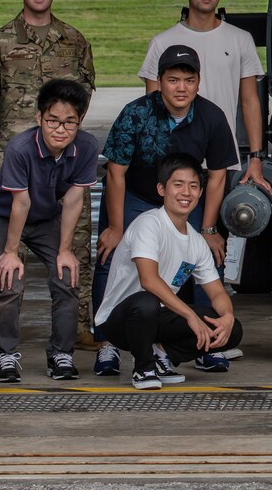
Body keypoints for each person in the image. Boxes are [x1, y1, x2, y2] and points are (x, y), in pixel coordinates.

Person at [0, 0, 98, 344]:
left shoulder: (75, 42)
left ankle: (77, 329)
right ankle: (1, 335)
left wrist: (65, 137)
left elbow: (82, 101)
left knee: (73, 248)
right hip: (13, 162)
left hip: (64, 168)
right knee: (5, 258)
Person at [0, 78, 100, 383]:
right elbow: (20, 202)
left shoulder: (87, 146)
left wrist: (65, 250)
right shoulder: (20, 148)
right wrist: (11, 252)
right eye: (53, 120)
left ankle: (61, 353)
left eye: (69, 122)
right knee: (9, 279)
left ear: (79, 121)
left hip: (43, 217)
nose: (60, 129)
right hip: (1, 214)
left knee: (67, 275)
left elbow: (72, 200)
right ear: (39, 117)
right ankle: (3, 353)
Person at [95, 45, 238, 310]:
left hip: (183, 198)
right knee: (112, 253)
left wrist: (208, 229)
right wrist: (116, 228)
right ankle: (107, 339)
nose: (181, 88)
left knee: (209, 252)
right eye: (173, 80)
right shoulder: (135, 113)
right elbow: (116, 173)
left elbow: (218, 177)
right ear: (159, 82)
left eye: (189, 81)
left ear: (198, 83)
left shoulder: (213, 117)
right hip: (136, 193)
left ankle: (210, 334)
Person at [89, 153, 243, 389]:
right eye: (178, 185)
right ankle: (143, 369)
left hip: (157, 317)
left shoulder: (196, 241)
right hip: (121, 320)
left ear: (201, 193)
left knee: (230, 330)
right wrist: (190, 316)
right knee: (147, 301)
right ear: (162, 189)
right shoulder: (149, 224)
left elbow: (217, 293)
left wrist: (228, 317)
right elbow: (149, 280)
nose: (186, 193)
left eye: (193, 186)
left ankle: (162, 356)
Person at [138, 0, 271, 193]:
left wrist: (256, 158)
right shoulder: (162, 43)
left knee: (213, 229)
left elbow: (250, 101)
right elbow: (153, 108)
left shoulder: (241, 39)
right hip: (174, 162)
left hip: (221, 160)